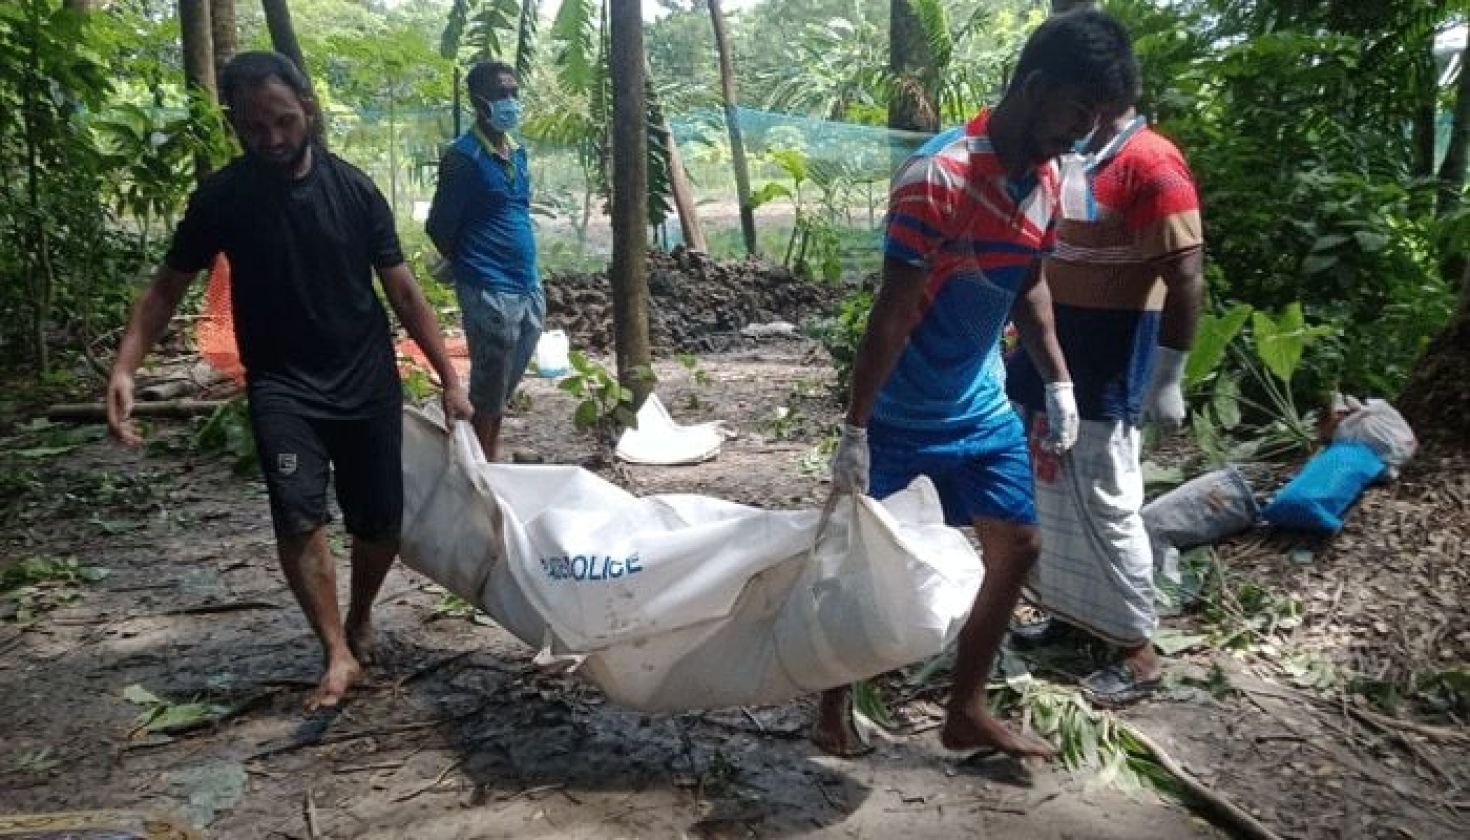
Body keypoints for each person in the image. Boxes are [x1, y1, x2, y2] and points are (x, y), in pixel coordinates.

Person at [815, 8, 1141, 759]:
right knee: (859, 558)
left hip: (979, 406)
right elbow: (892, 315)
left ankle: (964, 709)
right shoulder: (941, 178)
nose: (1086, 135)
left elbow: (1027, 282)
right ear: (1034, 87)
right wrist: (856, 430)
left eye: (1099, 119)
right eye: (1078, 113)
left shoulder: (1047, 176)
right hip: (900, 413)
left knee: (1019, 546)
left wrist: (1057, 380)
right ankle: (831, 704)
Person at [106, 51, 473, 712]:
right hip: (282, 385)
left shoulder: (355, 190)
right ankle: (334, 650)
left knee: (378, 522)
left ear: (306, 107)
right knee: (298, 515)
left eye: (281, 121)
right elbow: (166, 289)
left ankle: (360, 614)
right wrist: (126, 367)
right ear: (237, 126)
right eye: (255, 129)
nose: (272, 139)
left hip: (365, 381)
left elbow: (405, 293)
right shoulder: (223, 197)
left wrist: (449, 376)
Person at [1005, 98, 1204, 707]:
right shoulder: (1071, 156)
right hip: (1048, 362)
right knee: (1050, 500)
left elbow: (1187, 274)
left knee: (1107, 508)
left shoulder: (1152, 162)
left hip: (1108, 367)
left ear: (1100, 94)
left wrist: (1168, 376)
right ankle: (1070, 616)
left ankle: (1138, 655)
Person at [426, 60, 541, 462]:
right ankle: (482, 471)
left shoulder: (517, 153)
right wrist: (471, 264)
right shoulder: (464, 157)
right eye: (500, 94)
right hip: (489, 286)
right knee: (489, 387)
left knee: (500, 386)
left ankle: (482, 458)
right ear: (479, 101)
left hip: (526, 284)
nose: (509, 101)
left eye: (513, 92)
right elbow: (440, 226)